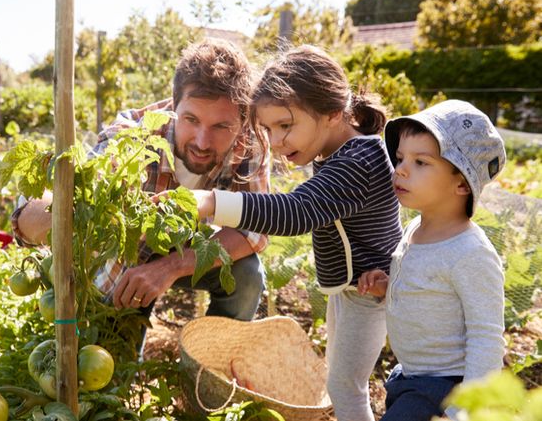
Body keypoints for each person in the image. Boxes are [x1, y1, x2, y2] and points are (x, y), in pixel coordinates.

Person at [185, 45, 403, 421]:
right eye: (268, 129)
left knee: (345, 388)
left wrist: (210, 201)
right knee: (343, 380)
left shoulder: (360, 161)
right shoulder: (340, 155)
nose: (277, 140)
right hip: (354, 291)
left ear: (334, 113)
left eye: (285, 125)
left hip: (371, 292)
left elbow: (295, 212)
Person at [12, 38, 270, 323]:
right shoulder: (133, 137)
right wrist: (56, 216)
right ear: (173, 105)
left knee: (247, 275)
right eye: (191, 120)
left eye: (221, 126)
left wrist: (170, 267)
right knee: (114, 350)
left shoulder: (250, 143)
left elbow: (253, 230)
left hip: (190, 247)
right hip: (132, 255)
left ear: (242, 119)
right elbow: (50, 208)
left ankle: (214, 360)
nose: (202, 141)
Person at [357, 99, 507, 421]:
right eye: (400, 158)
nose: (401, 169)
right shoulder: (415, 228)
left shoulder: (470, 253)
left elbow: (486, 336)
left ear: (461, 183)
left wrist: (466, 411)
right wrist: (388, 287)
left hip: (444, 388)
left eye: (421, 162)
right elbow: (427, 289)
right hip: (409, 376)